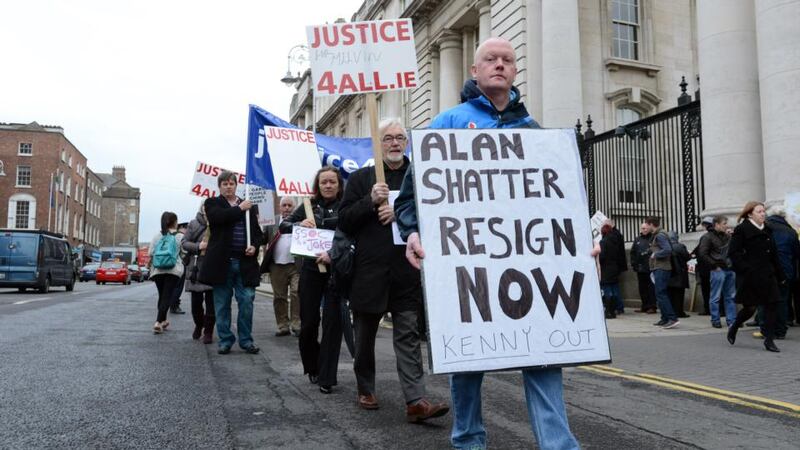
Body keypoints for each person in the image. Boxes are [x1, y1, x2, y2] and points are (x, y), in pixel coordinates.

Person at [396, 37, 580, 450]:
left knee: (544, 354)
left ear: (515, 71)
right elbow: (411, 196)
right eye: (490, 60)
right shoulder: (447, 124)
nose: (499, 65)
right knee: (467, 358)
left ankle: (558, 445)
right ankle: (468, 441)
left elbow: (561, 200)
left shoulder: (533, 130)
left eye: (507, 60)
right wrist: (413, 231)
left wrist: (581, 242)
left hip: (528, 269)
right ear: (475, 72)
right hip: (466, 269)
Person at [338, 118, 449, 421]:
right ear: (378, 143)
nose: (395, 143)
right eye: (388, 138)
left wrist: (401, 217)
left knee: (408, 335)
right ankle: (365, 387)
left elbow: (439, 215)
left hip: (406, 270)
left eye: (400, 137)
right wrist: (369, 201)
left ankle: (415, 400)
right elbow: (344, 220)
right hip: (369, 271)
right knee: (365, 337)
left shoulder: (422, 175)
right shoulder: (362, 179)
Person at [279, 167, 344, 393]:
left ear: (338, 184)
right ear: (318, 185)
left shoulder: (346, 205)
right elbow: (283, 225)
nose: (328, 185)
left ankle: (327, 377)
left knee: (332, 324)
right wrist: (299, 224)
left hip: (336, 270)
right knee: (308, 324)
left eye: (332, 182)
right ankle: (312, 366)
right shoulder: (308, 206)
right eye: (324, 182)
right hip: (310, 270)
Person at [199, 170, 264, 355]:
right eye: (225, 184)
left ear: (237, 185)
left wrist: (254, 246)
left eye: (231, 183)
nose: (228, 186)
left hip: (244, 263)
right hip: (222, 264)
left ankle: (246, 340)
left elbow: (258, 234)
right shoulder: (212, 203)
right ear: (219, 186)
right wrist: (240, 209)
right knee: (222, 304)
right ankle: (226, 340)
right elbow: (219, 219)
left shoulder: (249, 206)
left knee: (246, 300)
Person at [726, 201, 785, 352]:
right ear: (750, 213)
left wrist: (781, 274)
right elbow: (734, 253)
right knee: (750, 308)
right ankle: (734, 327)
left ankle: (769, 340)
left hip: (768, 274)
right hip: (751, 276)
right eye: (759, 211)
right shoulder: (742, 229)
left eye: (763, 211)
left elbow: (774, 254)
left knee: (773, 305)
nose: (763, 214)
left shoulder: (768, 229)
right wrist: (746, 269)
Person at [261, 196, 302, 337]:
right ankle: (282, 325)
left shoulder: (301, 220)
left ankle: (296, 324)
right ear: (280, 207)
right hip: (276, 265)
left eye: (290, 205)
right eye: (284, 205)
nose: (287, 208)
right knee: (279, 297)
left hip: (296, 265)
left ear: (294, 207)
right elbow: (262, 239)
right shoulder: (272, 221)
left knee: (297, 293)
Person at [761, 205, 799, 340]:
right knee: (782, 301)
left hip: (767, 270)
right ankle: (781, 330)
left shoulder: (764, 228)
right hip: (786, 270)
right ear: (784, 217)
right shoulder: (791, 231)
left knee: (766, 301)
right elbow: (796, 253)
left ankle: (766, 329)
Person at [148, 211, 186, 334]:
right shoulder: (179, 236)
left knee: (162, 296)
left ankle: (163, 320)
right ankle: (158, 322)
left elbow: (150, 253)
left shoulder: (157, 236)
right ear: (174, 222)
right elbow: (184, 253)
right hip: (173, 270)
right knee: (167, 296)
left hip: (158, 269)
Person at [182, 202, 215, 344]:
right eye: (205, 207)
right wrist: (198, 246)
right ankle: (199, 324)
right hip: (195, 267)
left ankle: (208, 331)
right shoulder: (193, 224)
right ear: (201, 208)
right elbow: (184, 243)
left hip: (212, 266)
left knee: (211, 303)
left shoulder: (218, 223)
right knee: (196, 303)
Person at [697, 216, 736, 328]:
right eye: (724, 223)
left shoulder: (727, 236)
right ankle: (715, 319)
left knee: (730, 296)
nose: (726, 226)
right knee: (715, 296)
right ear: (717, 224)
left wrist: (733, 237)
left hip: (729, 268)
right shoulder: (707, 237)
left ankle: (731, 320)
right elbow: (703, 253)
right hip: (717, 269)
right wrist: (714, 265)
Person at [647, 217, 679, 328]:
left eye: (647, 225)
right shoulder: (658, 234)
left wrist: (656, 254)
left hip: (662, 268)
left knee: (661, 293)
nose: (646, 227)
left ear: (651, 224)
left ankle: (672, 318)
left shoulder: (660, 235)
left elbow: (667, 249)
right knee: (660, 293)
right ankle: (664, 318)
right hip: (659, 268)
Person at [599, 223, 624, 319]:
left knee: (607, 290)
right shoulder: (615, 241)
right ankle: (616, 309)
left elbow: (602, 256)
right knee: (615, 289)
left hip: (606, 269)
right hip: (615, 268)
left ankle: (609, 311)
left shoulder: (603, 242)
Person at [630, 222, 657, 313]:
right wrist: (634, 264)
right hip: (640, 268)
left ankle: (652, 306)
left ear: (649, 228)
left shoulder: (653, 238)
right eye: (642, 228)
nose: (643, 230)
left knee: (651, 288)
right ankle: (644, 305)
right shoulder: (638, 239)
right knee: (642, 288)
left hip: (650, 267)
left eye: (645, 228)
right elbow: (633, 252)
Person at [691, 217, 715, 316]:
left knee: (707, 290)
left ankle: (708, 309)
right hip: (716, 267)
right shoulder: (720, 235)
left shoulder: (706, 237)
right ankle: (720, 310)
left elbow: (699, 251)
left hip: (706, 267)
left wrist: (691, 254)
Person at [667, 231, 691, 318]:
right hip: (680, 274)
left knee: (670, 295)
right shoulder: (680, 246)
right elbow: (687, 257)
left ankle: (672, 311)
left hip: (669, 274)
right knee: (679, 295)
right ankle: (679, 312)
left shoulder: (666, 246)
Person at [170, 222, 189, 314]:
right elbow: (184, 251)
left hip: (170, 264)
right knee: (178, 286)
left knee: (172, 286)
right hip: (180, 264)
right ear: (182, 228)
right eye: (187, 228)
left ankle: (171, 305)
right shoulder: (182, 237)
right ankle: (174, 306)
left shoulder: (171, 235)